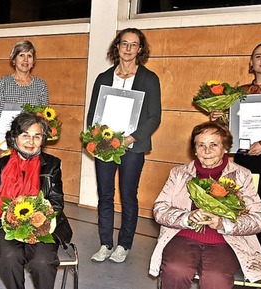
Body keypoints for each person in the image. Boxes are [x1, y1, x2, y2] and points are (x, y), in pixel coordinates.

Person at [149, 121, 261, 288]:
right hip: (183, 236)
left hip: (226, 241)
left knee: (216, 278)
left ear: (225, 148)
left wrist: (224, 223)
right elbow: (160, 209)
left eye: (214, 144)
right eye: (201, 145)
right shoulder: (179, 173)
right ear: (194, 149)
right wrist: (187, 217)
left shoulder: (242, 175)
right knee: (175, 270)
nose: (207, 151)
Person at [87, 28, 162, 263]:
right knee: (105, 195)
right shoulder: (103, 77)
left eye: (134, 44)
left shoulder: (149, 79)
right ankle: (105, 243)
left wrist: (130, 138)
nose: (128, 48)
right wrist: (100, 138)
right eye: (124, 43)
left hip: (133, 146)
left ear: (140, 49)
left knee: (129, 196)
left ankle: (124, 245)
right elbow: (93, 115)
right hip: (105, 147)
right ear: (117, 46)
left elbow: (154, 117)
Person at [210, 42, 261, 267]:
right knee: (240, 208)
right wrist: (219, 119)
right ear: (250, 63)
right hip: (243, 157)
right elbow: (231, 130)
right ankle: (240, 259)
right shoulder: (238, 92)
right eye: (258, 56)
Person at [0, 112, 72, 289]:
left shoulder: (52, 164)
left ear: (42, 139)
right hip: (6, 223)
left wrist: (36, 222)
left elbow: (56, 202)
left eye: (37, 136)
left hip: (44, 224)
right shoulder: (0, 165)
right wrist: (12, 221)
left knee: (42, 261)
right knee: (9, 257)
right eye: (25, 135)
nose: (31, 141)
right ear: (15, 138)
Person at [0, 40, 49, 159]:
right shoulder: (3, 83)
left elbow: (44, 120)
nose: (25, 60)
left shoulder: (41, 85)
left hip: (31, 147)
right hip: (4, 145)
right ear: (13, 60)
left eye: (29, 56)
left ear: (33, 62)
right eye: (21, 55)